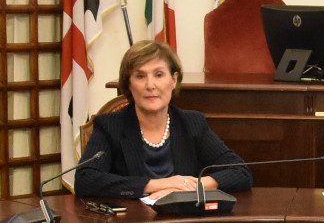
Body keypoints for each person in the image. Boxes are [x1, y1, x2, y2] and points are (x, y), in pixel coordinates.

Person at [74, 40, 255, 199]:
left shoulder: (192, 123)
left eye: (159, 75)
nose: (150, 85)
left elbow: (240, 172)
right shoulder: (110, 126)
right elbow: (85, 180)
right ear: (129, 84)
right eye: (140, 76)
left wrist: (191, 187)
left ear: (173, 80)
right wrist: (156, 185)